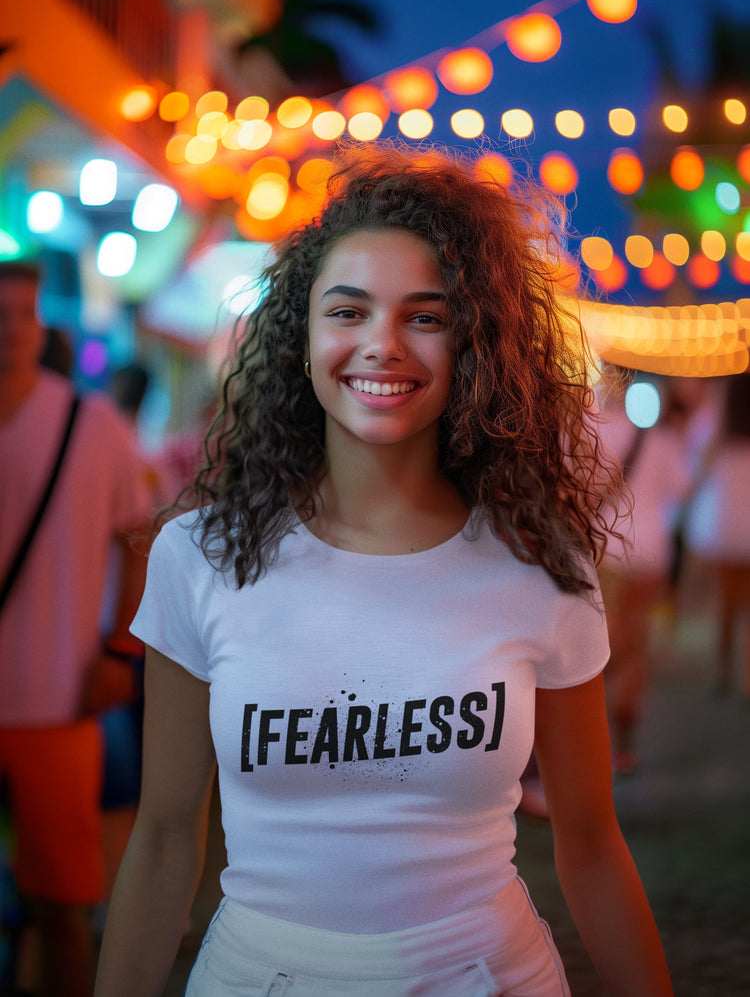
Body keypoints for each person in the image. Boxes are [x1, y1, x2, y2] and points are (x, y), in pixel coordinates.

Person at [95, 145, 673, 997]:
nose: (382, 344)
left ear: (472, 343)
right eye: (349, 310)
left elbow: (590, 843)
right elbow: (165, 836)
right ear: (302, 336)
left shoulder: (540, 564)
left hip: (490, 975)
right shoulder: (203, 555)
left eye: (426, 316)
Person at [0, 260, 151, 997]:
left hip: (59, 700)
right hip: (54, 697)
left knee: (62, 900)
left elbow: (139, 541)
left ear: (41, 327)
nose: (8, 331)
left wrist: (121, 651)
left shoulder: (92, 426)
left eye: (22, 314)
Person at [595, 373, 691, 775]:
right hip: (652, 553)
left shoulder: (598, 432)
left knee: (602, 647)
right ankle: (626, 744)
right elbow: (681, 491)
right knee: (635, 648)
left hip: (608, 551)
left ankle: (590, 736)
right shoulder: (664, 440)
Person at [683, 370, 750, 700]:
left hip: (727, 524)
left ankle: (723, 670)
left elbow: (696, 469)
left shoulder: (713, 427)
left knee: (726, 603)